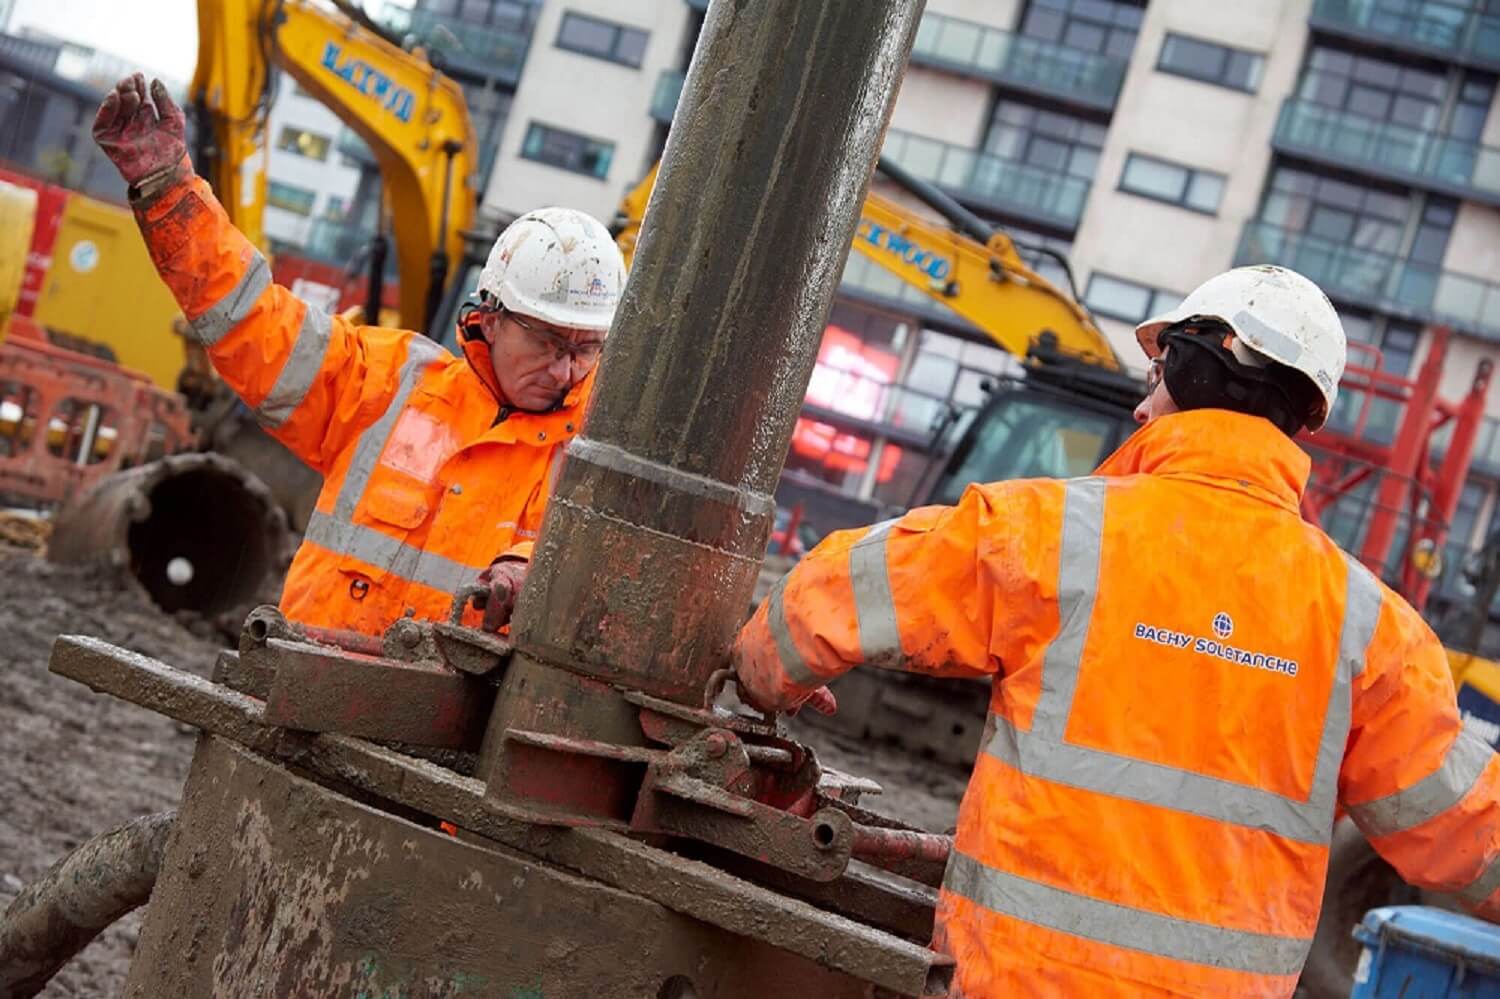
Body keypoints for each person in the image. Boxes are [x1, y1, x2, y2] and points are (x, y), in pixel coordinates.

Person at [734, 265, 1500, 996]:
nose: (1142, 407)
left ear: (1203, 368)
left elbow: (832, 594)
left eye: (1157, 374)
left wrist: (765, 675)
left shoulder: (1052, 535)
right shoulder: (1369, 627)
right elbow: (1472, 830)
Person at [93, 73, 624, 634]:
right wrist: (168, 191)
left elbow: (613, 576)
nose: (566, 369)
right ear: (489, 318)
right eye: (548, 342)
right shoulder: (386, 384)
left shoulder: (597, 455)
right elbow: (252, 322)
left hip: (450, 721)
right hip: (305, 687)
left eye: (586, 348)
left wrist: (530, 570)